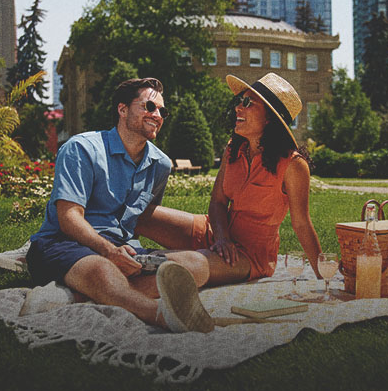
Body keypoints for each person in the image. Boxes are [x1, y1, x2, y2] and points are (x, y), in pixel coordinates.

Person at [25, 77, 215, 333]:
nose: (157, 115)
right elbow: (68, 217)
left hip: (121, 249)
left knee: (197, 265)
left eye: (162, 110)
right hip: (62, 244)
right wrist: (107, 250)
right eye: (149, 106)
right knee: (102, 269)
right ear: (122, 109)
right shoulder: (81, 148)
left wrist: (125, 252)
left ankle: (81, 295)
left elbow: (142, 218)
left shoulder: (160, 164)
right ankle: (162, 315)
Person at [136, 73, 324, 287]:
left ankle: (134, 261)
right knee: (139, 214)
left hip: (248, 256)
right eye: (239, 101)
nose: (238, 108)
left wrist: (324, 277)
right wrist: (222, 238)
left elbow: (301, 224)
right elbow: (217, 202)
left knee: (192, 265)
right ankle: (116, 251)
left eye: (247, 103)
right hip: (215, 231)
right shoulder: (234, 150)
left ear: (270, 117)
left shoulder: (293, 164)